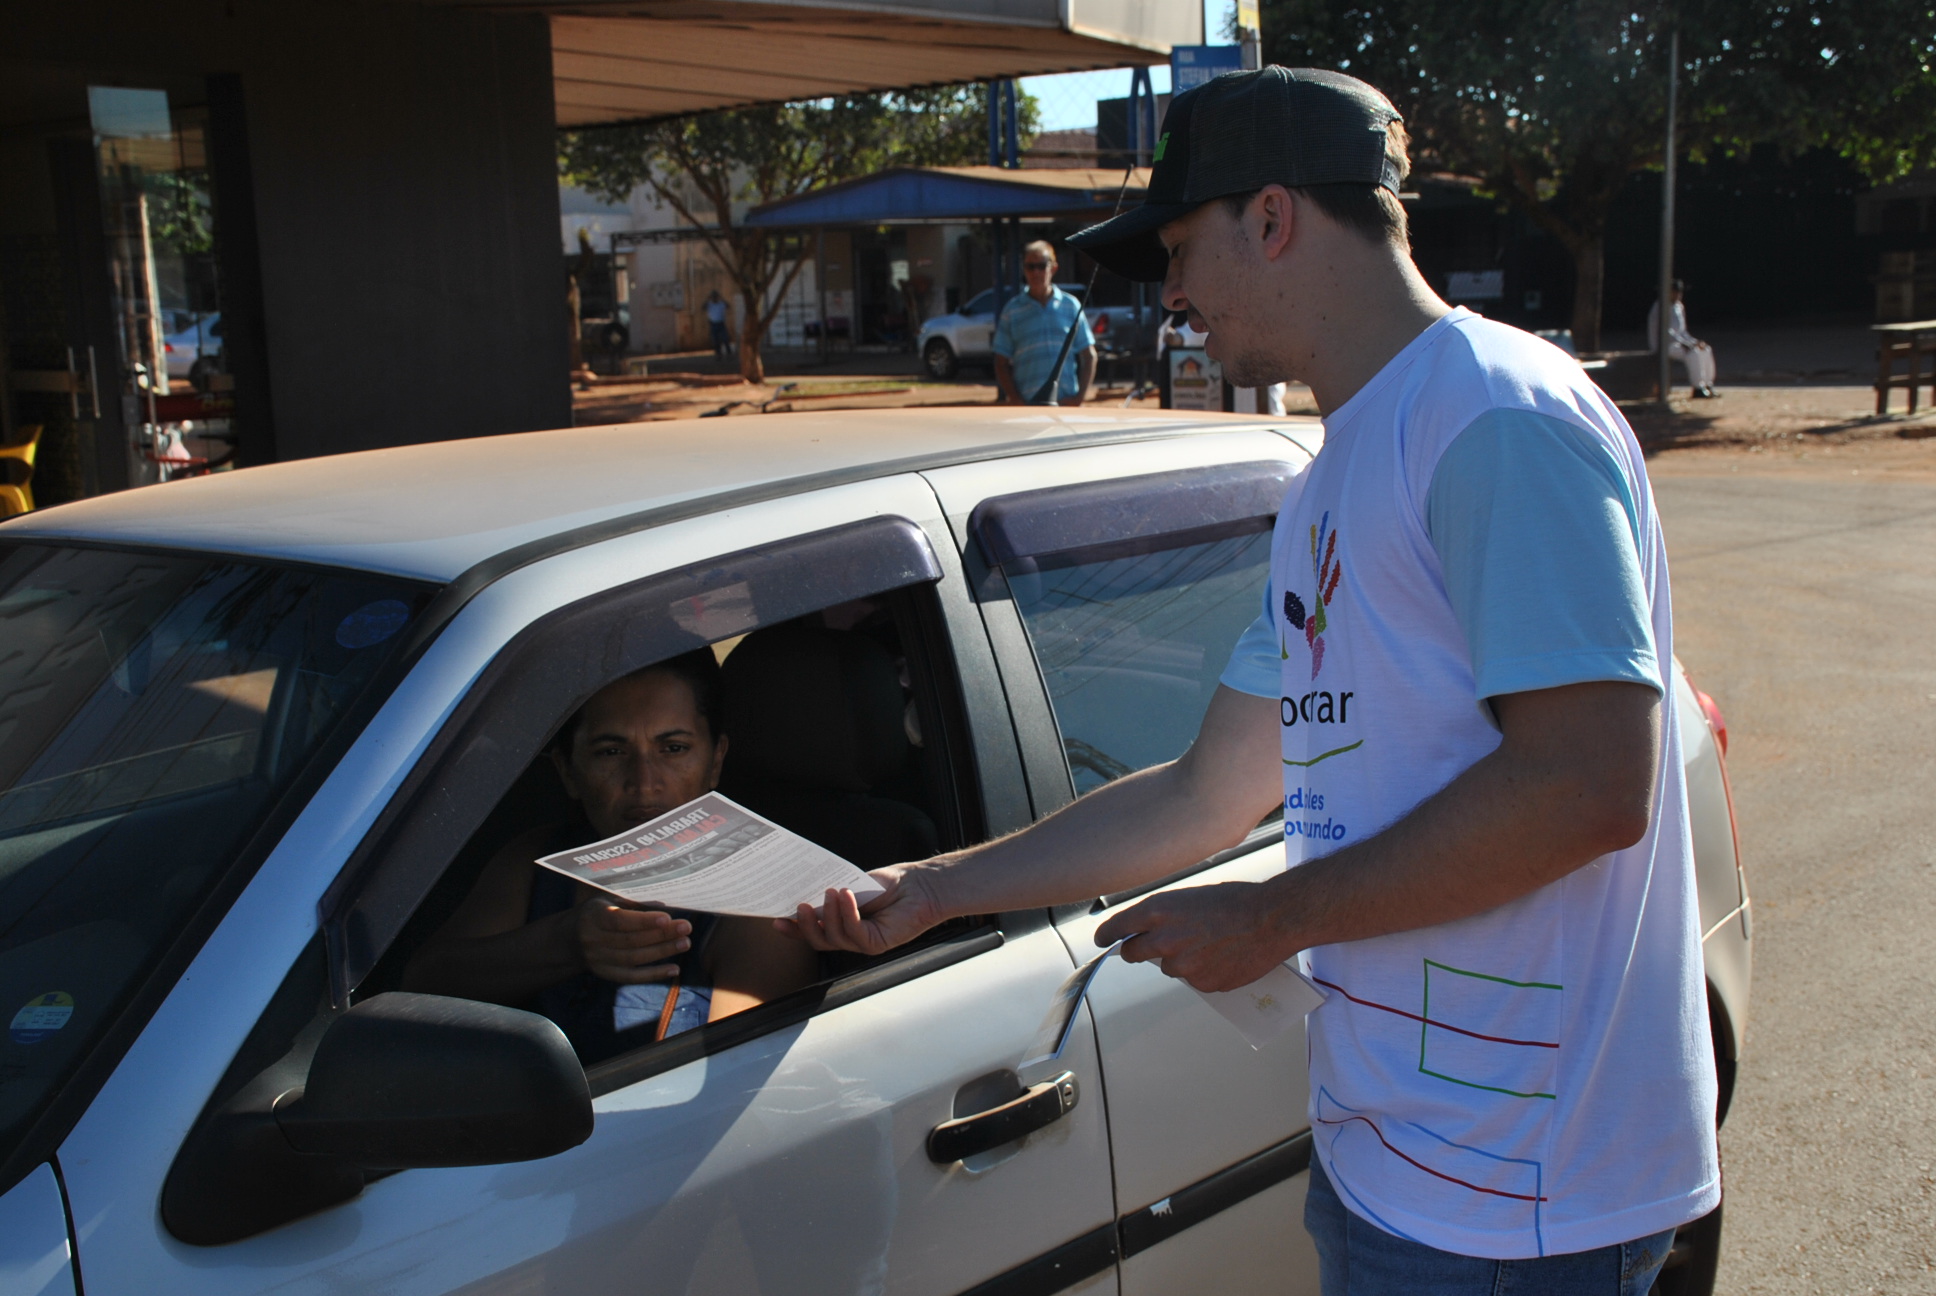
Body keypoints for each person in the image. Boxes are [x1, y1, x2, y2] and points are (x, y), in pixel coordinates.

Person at [786, 67, 1712, 1296]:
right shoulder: (1335, 475)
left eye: (1177, 249)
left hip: (1522, 1200)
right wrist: (937, 890)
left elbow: (1590, 786)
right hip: (1392, 1158)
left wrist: (1271, 919)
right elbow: (1203, 796)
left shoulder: (1497, 419)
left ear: (1270, 218)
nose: (1168, 297)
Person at [404, 649, 817, 1063]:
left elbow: (728, 1089)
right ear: (567, 770)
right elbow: (421, 990)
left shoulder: (759, 912)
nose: (644, 783)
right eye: (611, 752)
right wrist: (565, 942)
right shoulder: (536, 862)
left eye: (673, 748)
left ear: (715, 760)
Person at [992, 240, 1096, 406]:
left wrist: (1079, 398)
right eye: (1030, 267)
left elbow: (1089, 355)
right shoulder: (1011, 311)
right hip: (1028, 407)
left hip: (1065, 405)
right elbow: (1000, 362)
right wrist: (1015, 399)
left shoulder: (1071, 306)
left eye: (1041, 266)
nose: (1036, 273)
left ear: (1053, 268)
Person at [1647, 280, 1718, 398]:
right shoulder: (1660, 307)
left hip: (1677, 343)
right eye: (1674, 292)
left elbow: (1682, 331)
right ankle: (1698, 388)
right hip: (1663, 345)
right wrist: (1685, 344)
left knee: (1705, 349)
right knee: (1693, 353)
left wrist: (1694, 342)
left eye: (1679, 292)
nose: (1677, 295)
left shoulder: (1679, 306)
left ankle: (1708, 384)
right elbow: (1665, 332)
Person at [705, 289, 733, 361]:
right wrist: (707, 299)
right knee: (715, 340)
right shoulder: (709, 304)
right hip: (713, 324)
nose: (714, 298)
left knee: (725, 338)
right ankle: (718, 354)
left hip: (721, 323)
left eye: (716, 296)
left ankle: (729, 353)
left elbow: (728, 306)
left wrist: (722, 298)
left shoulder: (721, 303)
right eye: (713, 297)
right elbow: (703, 307)